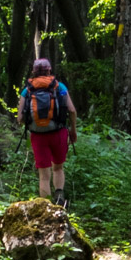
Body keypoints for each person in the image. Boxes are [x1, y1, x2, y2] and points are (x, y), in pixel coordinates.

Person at [18, 58, 78, 206]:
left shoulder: (27, 90)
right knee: (58, 167)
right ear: (49, 70)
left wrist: (33, 124)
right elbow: (72, 110)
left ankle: (46, 208)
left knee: (44, 175)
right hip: (58, 133)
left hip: (38, 136)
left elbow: (20, 118)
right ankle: (59, 197)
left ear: (34, 72)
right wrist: (73, 130)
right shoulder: (59, 87)